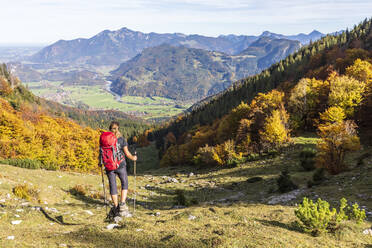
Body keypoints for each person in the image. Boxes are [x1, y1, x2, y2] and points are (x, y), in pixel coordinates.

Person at [100, 121, 137, 218]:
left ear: (110, 129)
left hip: (109, 167)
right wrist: (134, 158)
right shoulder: (121, 140)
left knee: (113, 185)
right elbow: (127, 154)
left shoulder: (104, 140)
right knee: (124, 183)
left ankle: (116, 207)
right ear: (118, 129)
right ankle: (122, 204)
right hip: (120, 166)